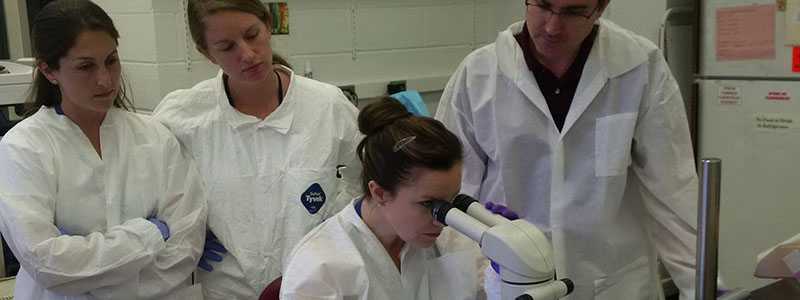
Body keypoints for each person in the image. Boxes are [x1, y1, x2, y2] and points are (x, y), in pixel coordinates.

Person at [435, 0, 699, 299]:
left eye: (573, 12)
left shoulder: (639, 66)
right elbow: (450, 197)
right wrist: (478, 281)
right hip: (509, 282)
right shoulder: (479, 74)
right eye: (544, 6)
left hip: (614, 283)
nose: (552, 26)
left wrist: (704, 286)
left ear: (600, 8)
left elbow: (673, 191)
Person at [152, 0, 362, 298]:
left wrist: (337, 224)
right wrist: (183, 234)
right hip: (228, 288)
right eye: (226, 47)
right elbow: (151, 194)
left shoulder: (327, 105)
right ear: (206, 53)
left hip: (316, 283)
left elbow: (369, 180)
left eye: (252, 35)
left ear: (268, 25)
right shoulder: (183, 116)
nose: (247, 55)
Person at [0, 0, 207, 299]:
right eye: (85, 66)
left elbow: (185, 248)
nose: (105, 80)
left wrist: (85, 265)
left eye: (111, 60)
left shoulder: (155, 137)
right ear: (49, 70)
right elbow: (47, 263)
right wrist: (151, 233)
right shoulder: (23, 148)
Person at [281, 97, 487, 300]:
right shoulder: (320, 267)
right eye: (429, 204)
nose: (441, 219)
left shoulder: (454, 241)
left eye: (451, 200)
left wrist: (505, 270)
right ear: (379, 193)